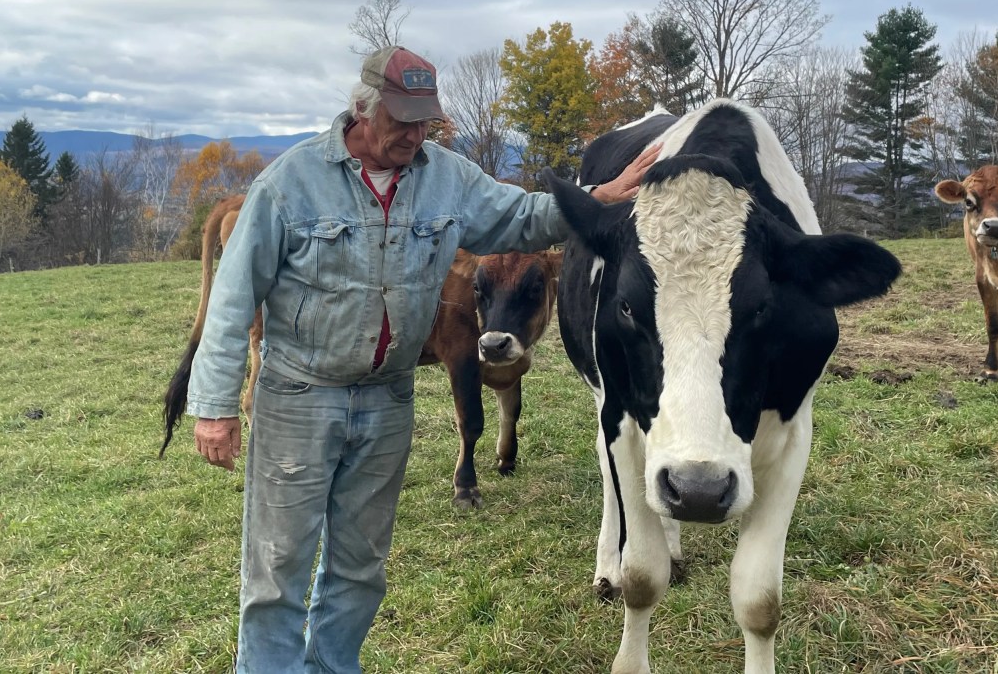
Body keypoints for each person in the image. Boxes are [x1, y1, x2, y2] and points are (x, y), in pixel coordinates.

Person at [185, 45, 661, 674]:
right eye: (401, 120)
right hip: (300, 396)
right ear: (362, 108)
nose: (414, 135)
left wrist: (597, 197)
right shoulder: (290, 184)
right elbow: (231, 297)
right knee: (277, 571)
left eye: (425, 122)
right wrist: (216, 407)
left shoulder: (447, 178)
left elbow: (522, 216)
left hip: (387, 399)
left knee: (359, 568)